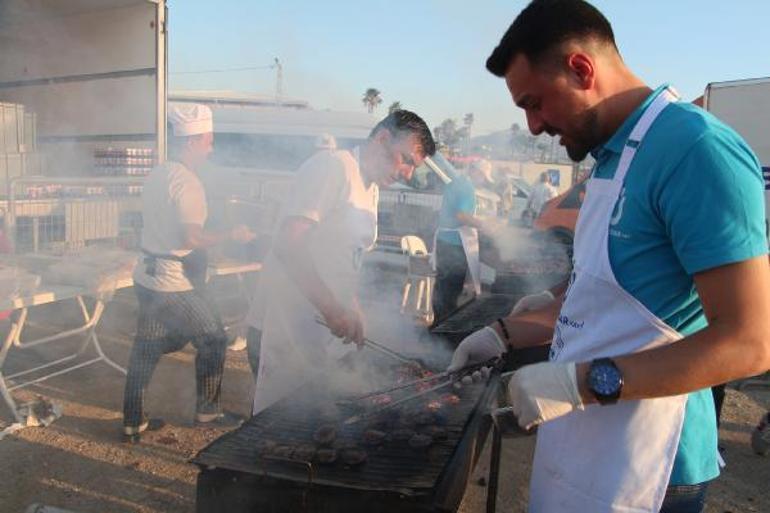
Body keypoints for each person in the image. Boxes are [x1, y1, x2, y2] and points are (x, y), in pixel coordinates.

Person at [448, 1, 770, 512]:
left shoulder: (696, 150)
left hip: (651, 464)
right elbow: (603, 299)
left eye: (535, 103)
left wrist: (580, 382)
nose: (532, 126)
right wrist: (505, 334)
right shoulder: (609, 158)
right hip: (581, 440)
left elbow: (749, 343)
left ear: (581, 69)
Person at [246, 110, 435, 413]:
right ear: (382, 138)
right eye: (407, 160)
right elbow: (289, 243)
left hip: (318, 331)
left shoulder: (371, 188)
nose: (408, 174)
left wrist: (352, 304)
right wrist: (333, 309)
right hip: (284, 328)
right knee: (279, 430)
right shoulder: (332, 167)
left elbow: (347, 259)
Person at [123, 103, 256, 443]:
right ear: (192, 142)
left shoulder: (158, 173)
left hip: (147, 275)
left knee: (148, 346)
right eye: (208, 141)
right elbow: (191, 238)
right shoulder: (188, 183)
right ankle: (208, 414)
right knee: (212, 338)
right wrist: (232, 235)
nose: (211, 148)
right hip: (172, 282)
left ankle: (133, 421)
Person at [431, 159, 494, 322]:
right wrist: (483, 224)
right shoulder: (466, 187)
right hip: (454, 244)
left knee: (442, 286)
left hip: (445, 242)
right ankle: (444, 327)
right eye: (482, 176)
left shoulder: (456, 182)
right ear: (475, 172)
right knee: (450, 289)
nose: (483, 181)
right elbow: (461, 215)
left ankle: (437, 323)